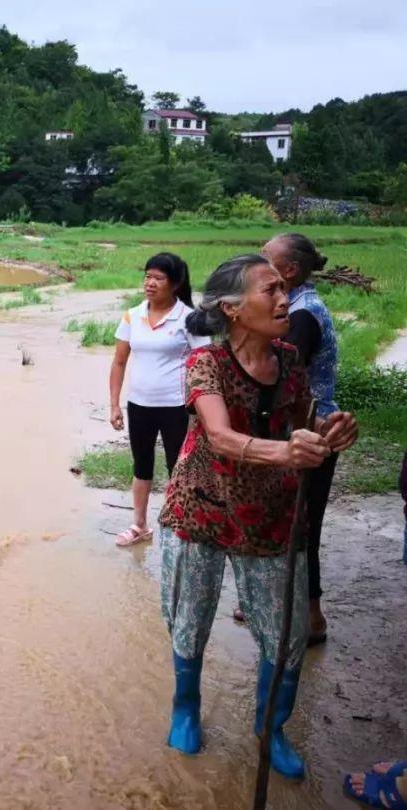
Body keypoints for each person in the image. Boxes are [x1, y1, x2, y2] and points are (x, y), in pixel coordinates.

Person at [159, 254, 358, 781]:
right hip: (201, 506)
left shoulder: (291, 359)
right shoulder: (206, 364)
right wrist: (284, 454)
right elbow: (220, 437)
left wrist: (326, 432)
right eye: (268, 290)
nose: (283, 298)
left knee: (286, 631)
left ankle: (271, 728)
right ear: (232, 310)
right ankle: (185, 707)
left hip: (269, 513)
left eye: (282, 288)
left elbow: (299, 421)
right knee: (190, 616)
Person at [258, 232, 340, 645]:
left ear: (289, 271)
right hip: (308, 433)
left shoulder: (300, 317)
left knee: (301, 526)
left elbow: (280, 379)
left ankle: (310, 616)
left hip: (308, 436)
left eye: (265, 259)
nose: (258, 264)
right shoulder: (301, 305)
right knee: (296, 522)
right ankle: (294, 609)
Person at [109, 253, 209, 546]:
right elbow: (118, 362)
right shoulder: (132, 315)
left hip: (177, 407)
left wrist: (201, 409)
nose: (150, 283)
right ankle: (139, 525)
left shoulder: (189, 318)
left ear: (175, 284)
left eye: (158, 278)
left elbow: (204, 363)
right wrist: (115, 404)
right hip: (140, 405)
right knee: (141, 465)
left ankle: (178, 524)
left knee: (177, 468)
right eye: (147, 276)